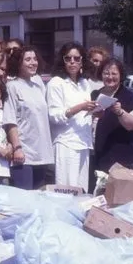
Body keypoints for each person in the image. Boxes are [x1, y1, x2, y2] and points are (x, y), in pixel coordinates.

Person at [47, 42, 96, 191]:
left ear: (82, 61)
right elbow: (54, 116)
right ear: (62, 61)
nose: (72, 62)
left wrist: (95, 111)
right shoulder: (56, 83)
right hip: (66, 142)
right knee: (66, 189)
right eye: (68, 58)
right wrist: (79, 107)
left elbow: (86, 114)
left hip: (84, 141)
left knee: (82, 190)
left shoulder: (84, 83)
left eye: (76, 58)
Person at [3, 46, 54, 190]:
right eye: (28, 59)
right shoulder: (12, 86)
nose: (33, 63)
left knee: (39, 199)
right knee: (24, 198)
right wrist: (17, 147)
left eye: (35, 59)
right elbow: (10, 120)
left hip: (42, 153)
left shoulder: (39, 87)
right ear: (18, 63)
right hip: (24, 153)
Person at [91, 57, 133, 172]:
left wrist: (120, 112)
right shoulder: (94, 95)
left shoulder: (129, 96)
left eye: (114, 74)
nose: (110, 77)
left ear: (121, 75)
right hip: (97, 159)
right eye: (106, 73)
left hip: (122, 162)